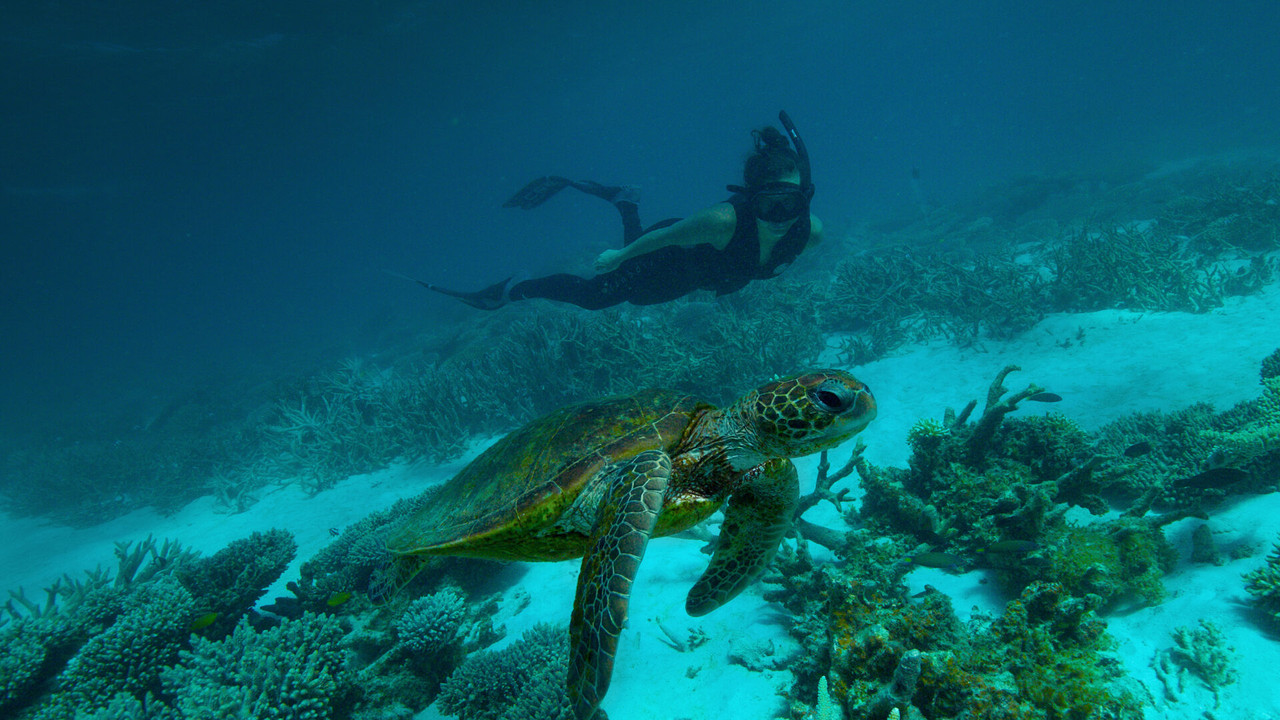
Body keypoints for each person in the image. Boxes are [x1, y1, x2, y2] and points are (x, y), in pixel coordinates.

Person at [418, 111, 823, 311]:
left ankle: (626, 202)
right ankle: (511, 289)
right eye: (768, 205)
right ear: (750, 199)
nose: (781, 217)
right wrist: (619, 256)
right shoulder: (721, 222)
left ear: (805, 199)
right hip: (672, 254)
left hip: (695, 277)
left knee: (639, 296)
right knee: (597, 296)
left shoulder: (809, 233)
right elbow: (666, 237)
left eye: (791, 203)